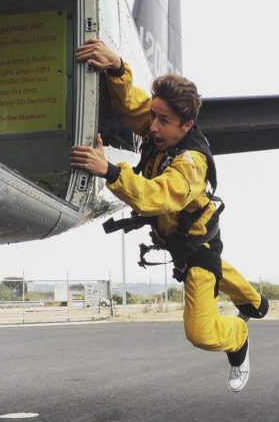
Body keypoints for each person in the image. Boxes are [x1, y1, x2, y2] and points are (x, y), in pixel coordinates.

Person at [70, 39, 268, 392]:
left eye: (164, 121)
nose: (153, 127)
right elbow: (135, 108)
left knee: (202, 331)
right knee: (218, 266)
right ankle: (256, 302)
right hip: (179, 239)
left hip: (194, 245)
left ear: (186, 125)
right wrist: (117, 68)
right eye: (155, 117)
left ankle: (238, 336)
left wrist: (111, 172)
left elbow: (157, 196)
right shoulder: (160, 126)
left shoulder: (191, 164)